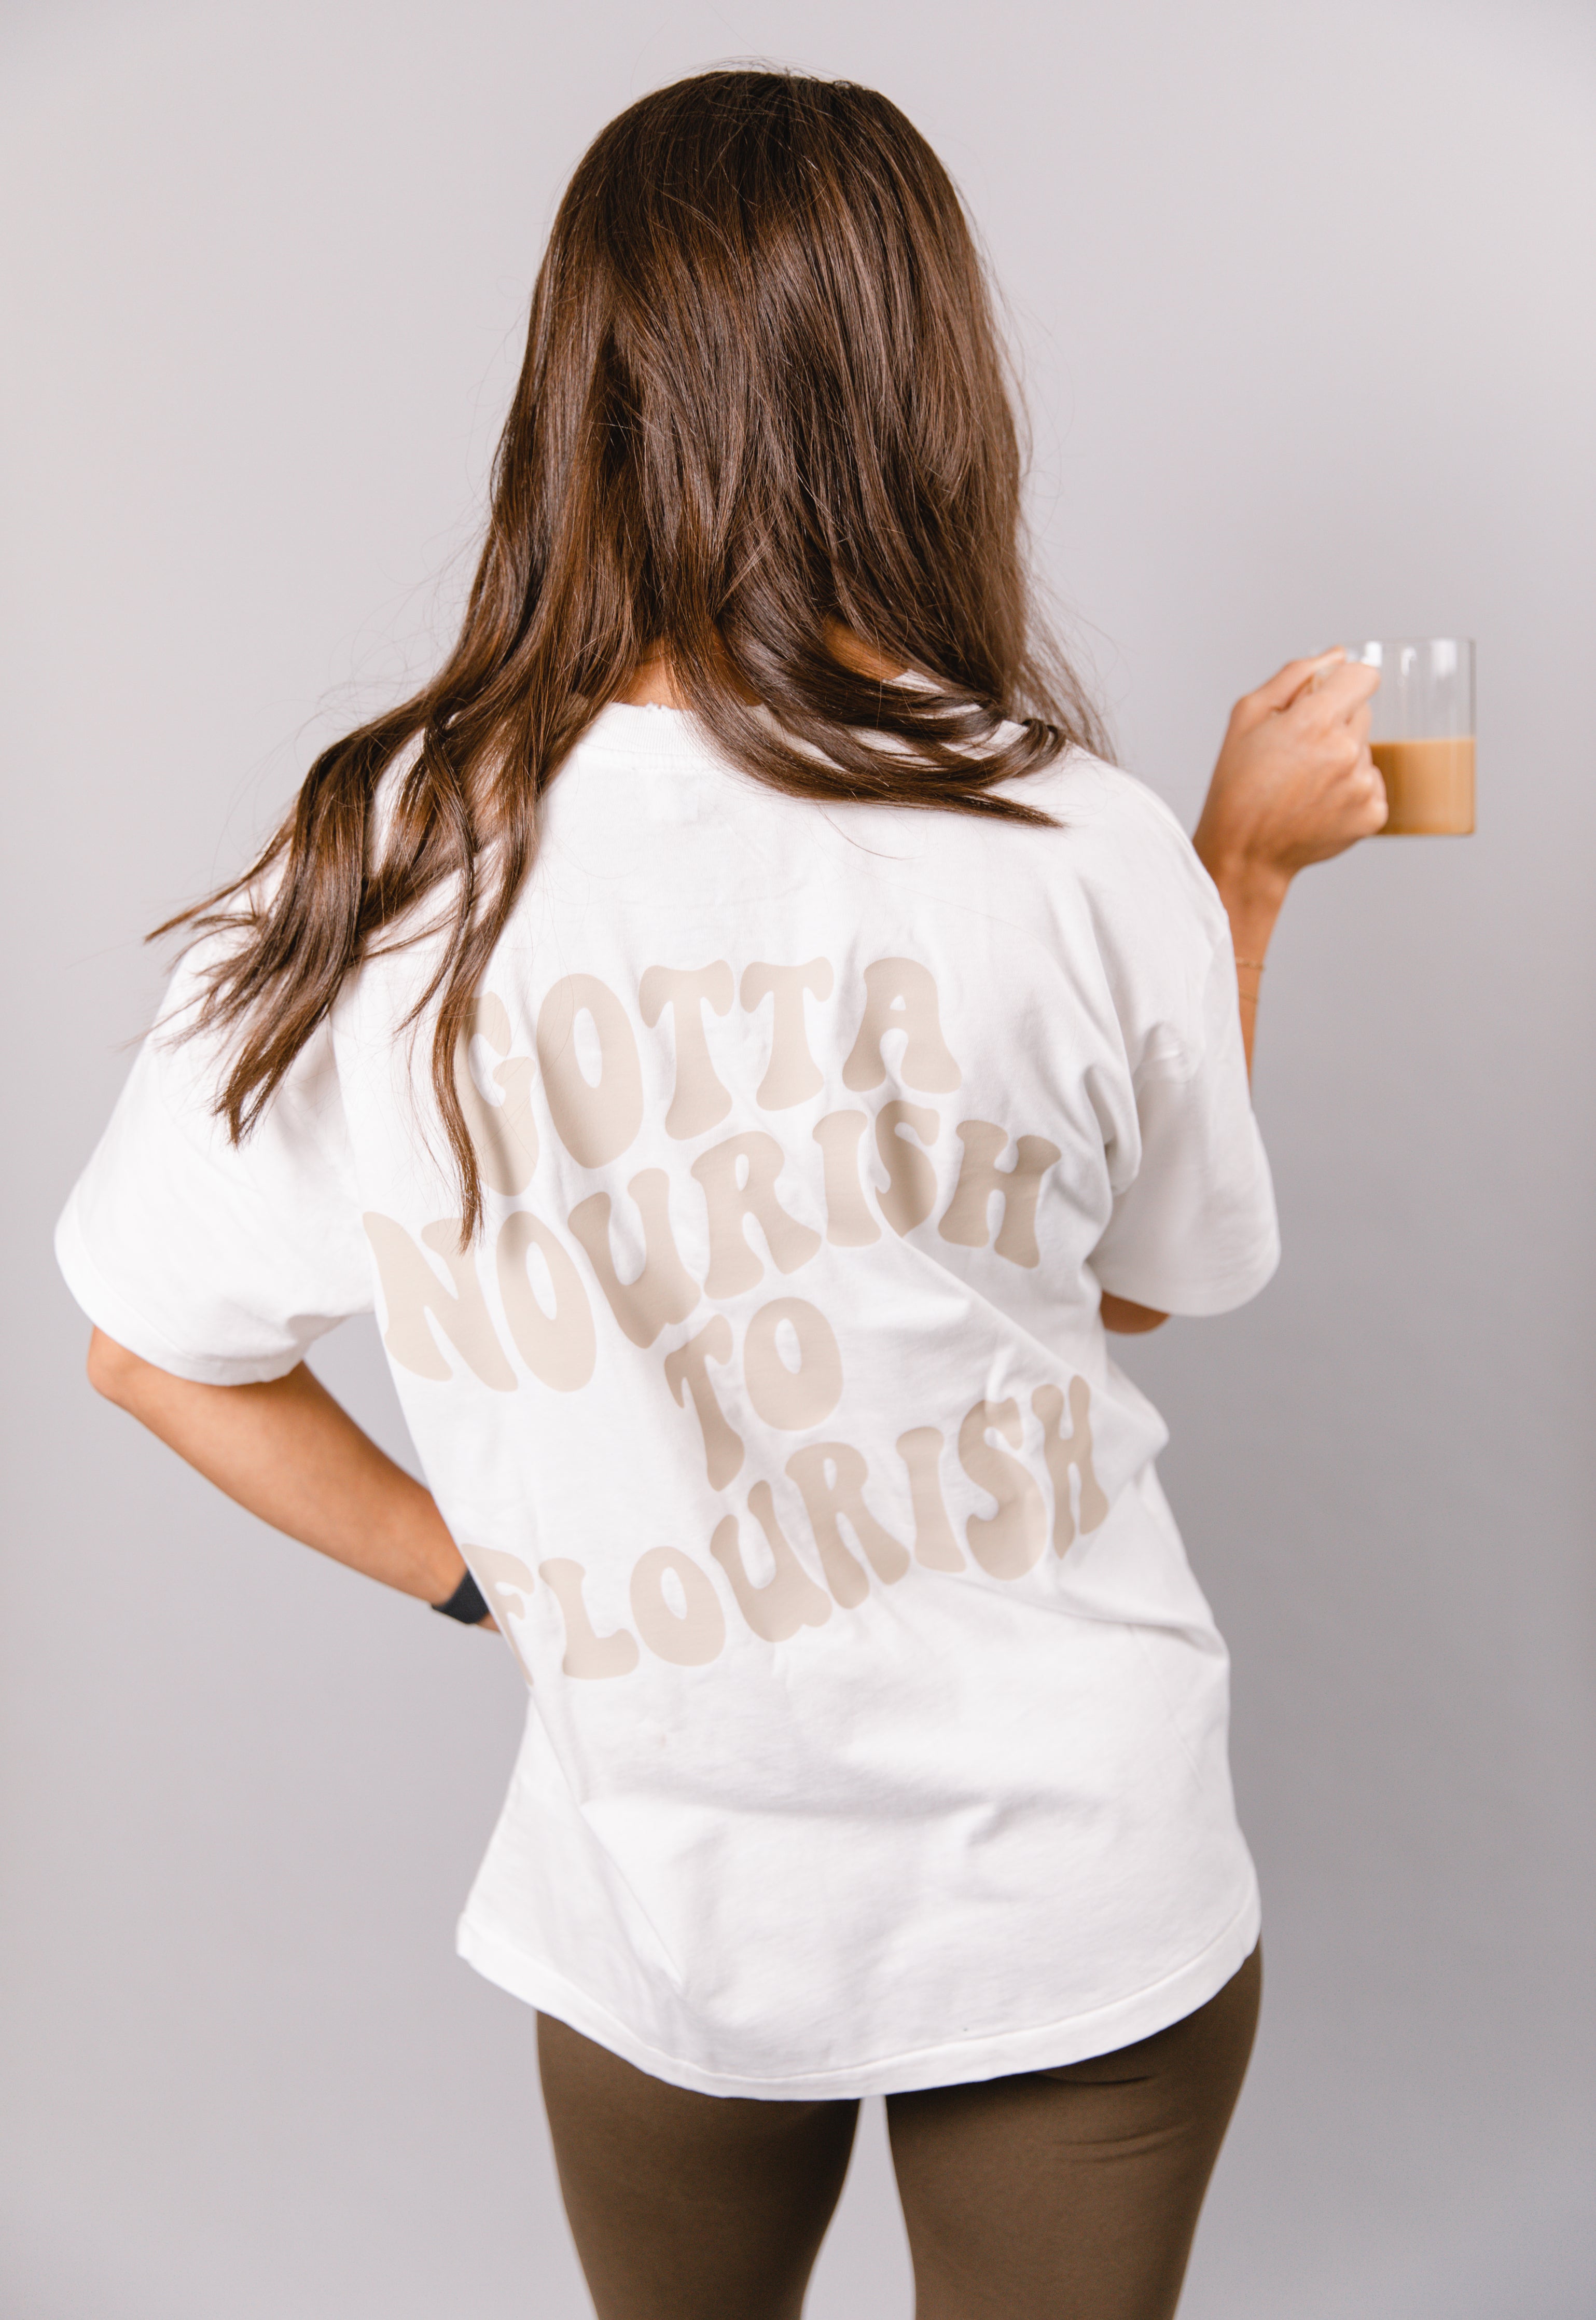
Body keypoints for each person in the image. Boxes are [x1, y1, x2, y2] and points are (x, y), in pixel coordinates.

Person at [57, 67, 1385, 2320]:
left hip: (660, 1886)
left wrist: (489, 1583)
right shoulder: (1077, 842)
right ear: (928, 395)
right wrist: (1241, 870)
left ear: (579, 400)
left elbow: (142, 1342)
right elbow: (1147, 1291)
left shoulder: (388, 861)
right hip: (1069, 1875)